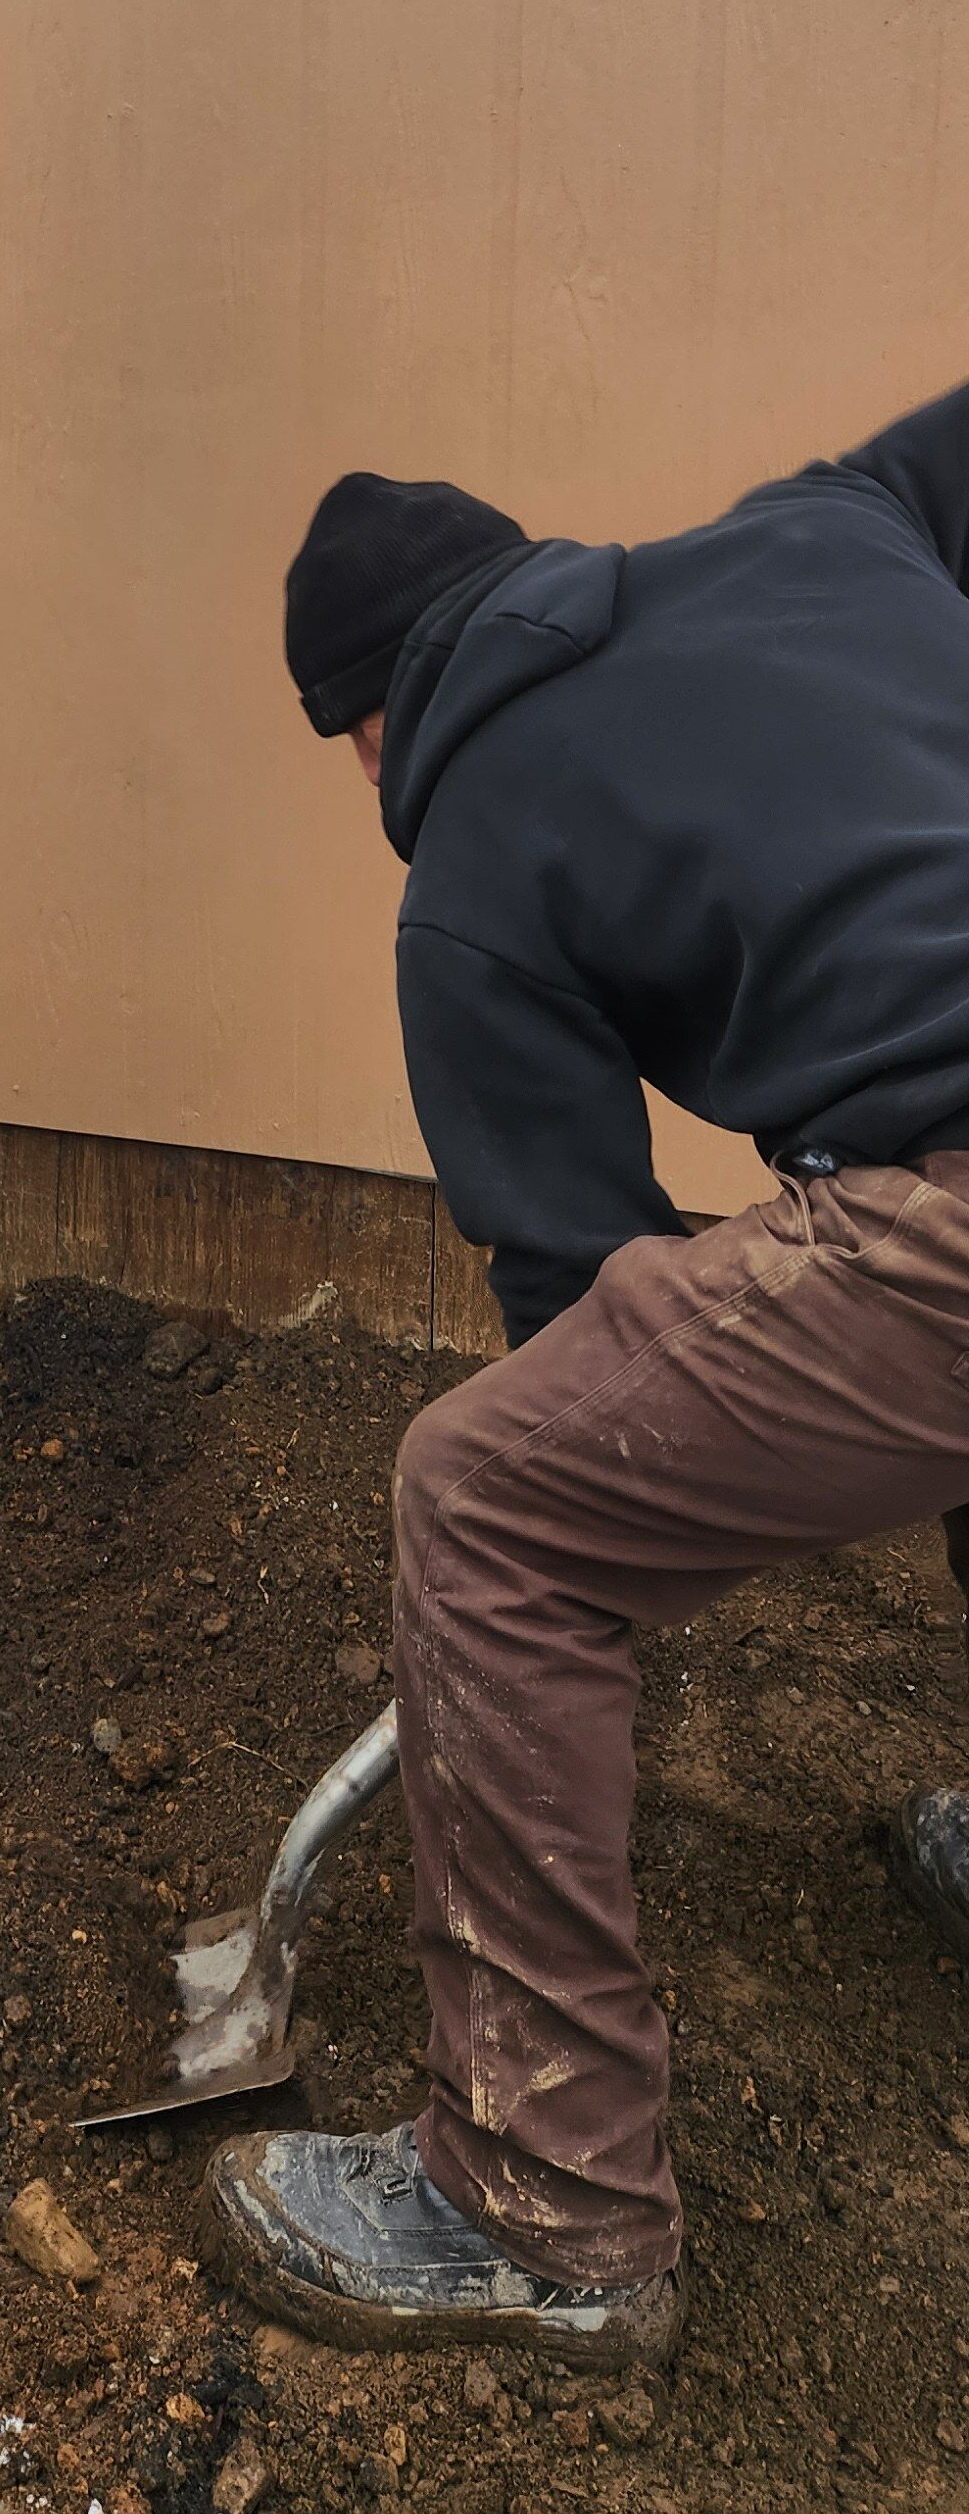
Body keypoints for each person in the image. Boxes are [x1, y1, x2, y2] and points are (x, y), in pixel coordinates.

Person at [203, 389, 969, 2362]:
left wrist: (614, 1556)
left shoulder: (465, 878)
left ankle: (544, 2203)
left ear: (371, 726)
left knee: (486, 1505)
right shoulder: (832, 521)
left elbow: (580, 1316)